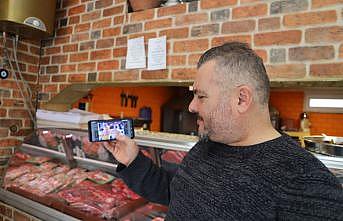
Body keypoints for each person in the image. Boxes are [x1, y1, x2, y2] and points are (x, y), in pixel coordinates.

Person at [104, 42, 343, 220]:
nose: (191, 106)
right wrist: (133, 161)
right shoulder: (209, 145)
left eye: (201, 96)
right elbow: (176, 191)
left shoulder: (307, 184)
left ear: (241, 99)